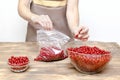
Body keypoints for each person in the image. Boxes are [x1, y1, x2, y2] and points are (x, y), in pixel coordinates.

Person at [18, 0, 89, 42]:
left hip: (64, 40)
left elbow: (72, 9)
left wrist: (75, 29)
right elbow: (22, 6)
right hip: (36, 39)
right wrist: (34, 17)